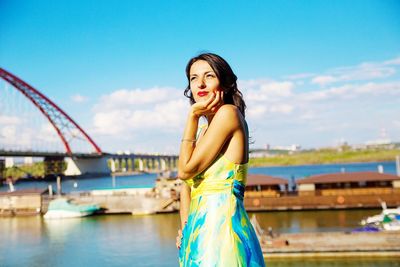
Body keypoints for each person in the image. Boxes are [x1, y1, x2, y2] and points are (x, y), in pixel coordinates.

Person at [176, 53, 265, 266]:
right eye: (194, 78)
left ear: (224, 84)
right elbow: (186, 186)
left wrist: (192, 116)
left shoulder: (228, 114)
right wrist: (186, 229)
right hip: (198, 238)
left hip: (224, 235)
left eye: (209, 76)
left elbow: (185, 170)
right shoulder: (204, 131)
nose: (201, 84)